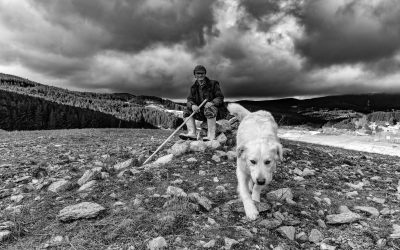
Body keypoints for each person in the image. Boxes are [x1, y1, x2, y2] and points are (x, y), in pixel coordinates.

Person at [179, 65, 226, 141]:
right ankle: (192, 134)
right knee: (186, 111)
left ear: (205, 74)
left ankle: (211, 136)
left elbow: (220, 97)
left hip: (216, 112)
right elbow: (189, 100)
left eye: (202, 73)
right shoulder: (193, 88)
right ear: (195, 75)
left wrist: (212, 102)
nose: (200, 75)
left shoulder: (213, 84)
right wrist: (193, 105)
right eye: (198, 73)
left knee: (209, 108)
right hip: (202, 113)